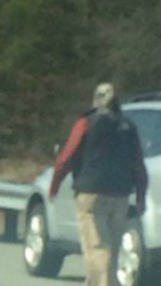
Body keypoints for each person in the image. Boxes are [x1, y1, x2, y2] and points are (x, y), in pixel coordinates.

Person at [49, 83, 148, 286]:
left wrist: (55, 185)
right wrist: (140, 197)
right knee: (111, 251)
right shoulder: (128, 126)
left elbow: (66, 157)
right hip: (120, 197)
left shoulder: (85, 123)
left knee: (98, 249)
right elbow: (138, 165)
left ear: (95, 99)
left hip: (90, 195)